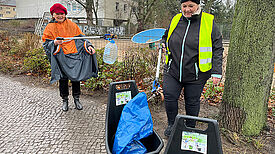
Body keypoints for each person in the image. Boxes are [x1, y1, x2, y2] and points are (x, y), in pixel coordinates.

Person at [161, 0, 223, 137]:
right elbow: (166, 36)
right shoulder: (176, 19)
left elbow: (217, 47)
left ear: (197, 6)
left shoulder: (208, 21)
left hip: (196, 73)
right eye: (184, 6)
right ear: (181, 6)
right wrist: (163, 43)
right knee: (170, 96)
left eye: (191, 6)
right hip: (173, 70)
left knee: (192, 101)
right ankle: (172, 124)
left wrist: (217, 72)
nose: (187, 9)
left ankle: (190, 127)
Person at [42, 3, 98, 112]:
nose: (60, 16)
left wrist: (89, 46)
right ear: (53, 15)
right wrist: (54, 42)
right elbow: (45, 43)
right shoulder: (49, 27)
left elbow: (82, 38)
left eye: (62, 14)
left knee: (76, 78)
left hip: (74, 55)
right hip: (60, 57)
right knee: (63, 79)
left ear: (65, 14)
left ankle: (77, 99)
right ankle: (65, 100)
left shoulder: (72, 25)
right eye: (57, 14)